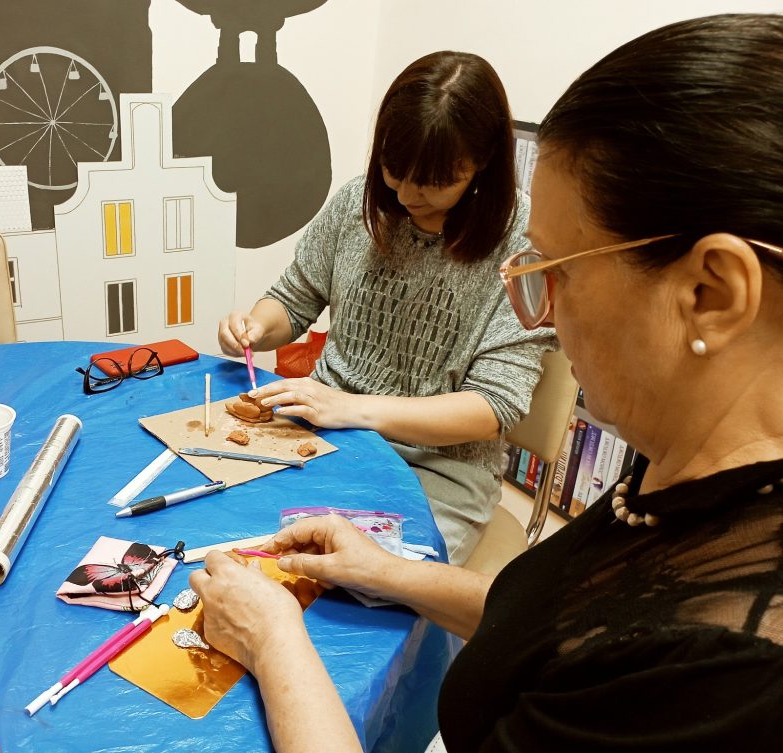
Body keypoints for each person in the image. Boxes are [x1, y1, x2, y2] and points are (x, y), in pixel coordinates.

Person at [194, 13, 783, 752]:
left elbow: (594, 635)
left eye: (556, 272)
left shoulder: (721, 675)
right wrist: (387, 571)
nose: (541, 318)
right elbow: (551, 619)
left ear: (712, 293)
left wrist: (275, 640)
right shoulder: (674, 488)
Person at [218, 51, 556, 564]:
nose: (407, 194)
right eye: (395, 170)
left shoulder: (522, 245)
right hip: (324, 438)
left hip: (438, 471)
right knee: (234, 540)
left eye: (435, 181)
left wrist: (351, 408)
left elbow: (493, 407)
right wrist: (257, 326)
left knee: (351, 583)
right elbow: (294, 297)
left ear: (482, 160)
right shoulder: (359, 204)